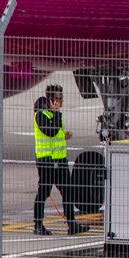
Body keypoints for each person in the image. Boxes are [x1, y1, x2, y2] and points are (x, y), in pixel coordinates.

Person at [32, 84, 84, 235]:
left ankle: (72, 224)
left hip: (60, 160)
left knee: (68, 191)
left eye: (61, 99)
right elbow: (50, 132)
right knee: (44, 192)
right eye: (57, 99)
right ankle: (38, 225)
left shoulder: (56, 115)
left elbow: (56, 134)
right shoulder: (41, 115)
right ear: (49, 100)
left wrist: (64, 135)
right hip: (46, 161)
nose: (60, 102)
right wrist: (56, 114)